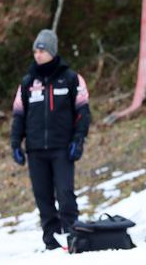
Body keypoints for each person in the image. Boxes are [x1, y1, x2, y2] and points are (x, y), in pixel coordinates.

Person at [10, 29, 91, 250]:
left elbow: (83, 112)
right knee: (43, 197)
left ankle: (73, 235)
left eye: (42, 50)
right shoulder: (27, 82)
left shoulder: (71, 79)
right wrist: (16, 143)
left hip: (62, 148)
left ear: (52, 52)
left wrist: (78, 139)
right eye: (35, 51)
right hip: (36, 150)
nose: (37, 55)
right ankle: (51, 240)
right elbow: (18, 115)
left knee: (65, 194)